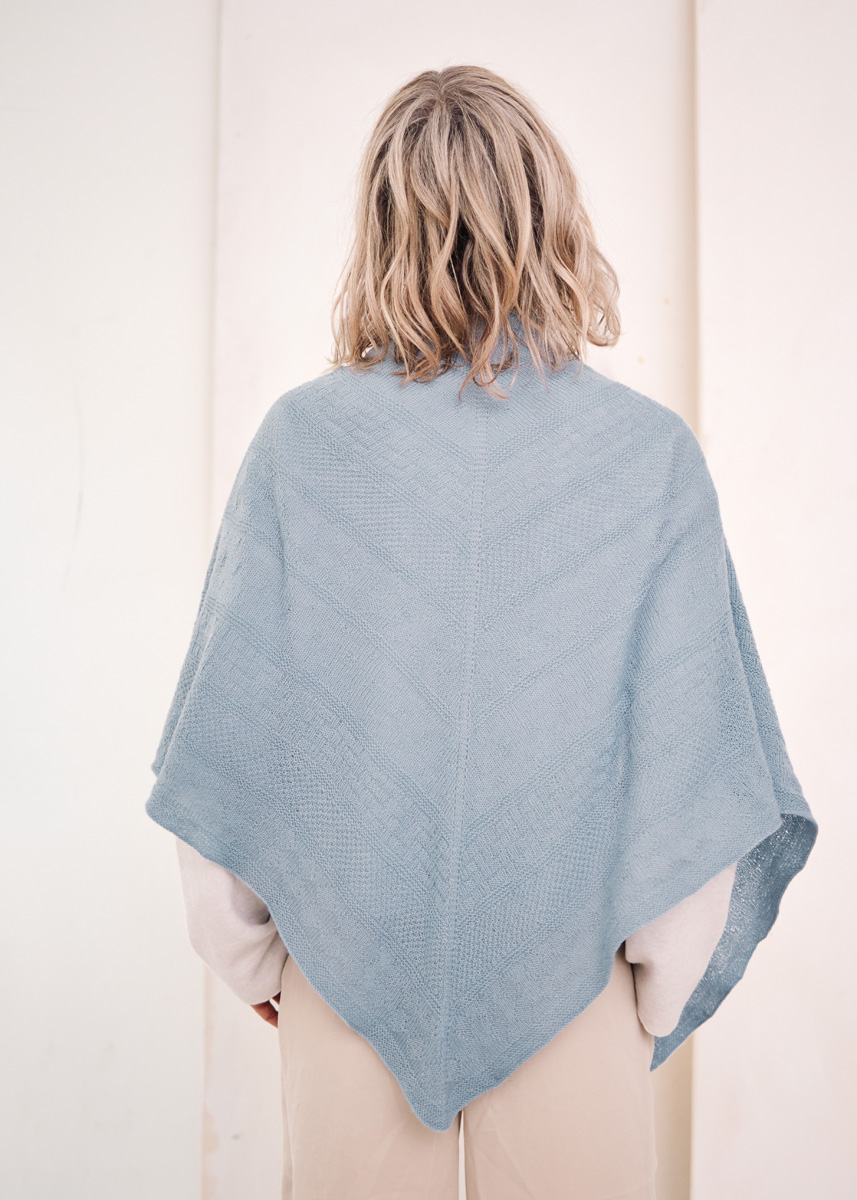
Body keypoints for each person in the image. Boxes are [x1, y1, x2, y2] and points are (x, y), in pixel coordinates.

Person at [146, 65, 817, 1200]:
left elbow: (230, 749)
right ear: (549, 213)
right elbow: (696, 778)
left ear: (381, 223)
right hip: (577, 979)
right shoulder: (643, 456)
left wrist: (256, 959)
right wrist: (649, 991)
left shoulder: (303, 446)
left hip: (342, 977)